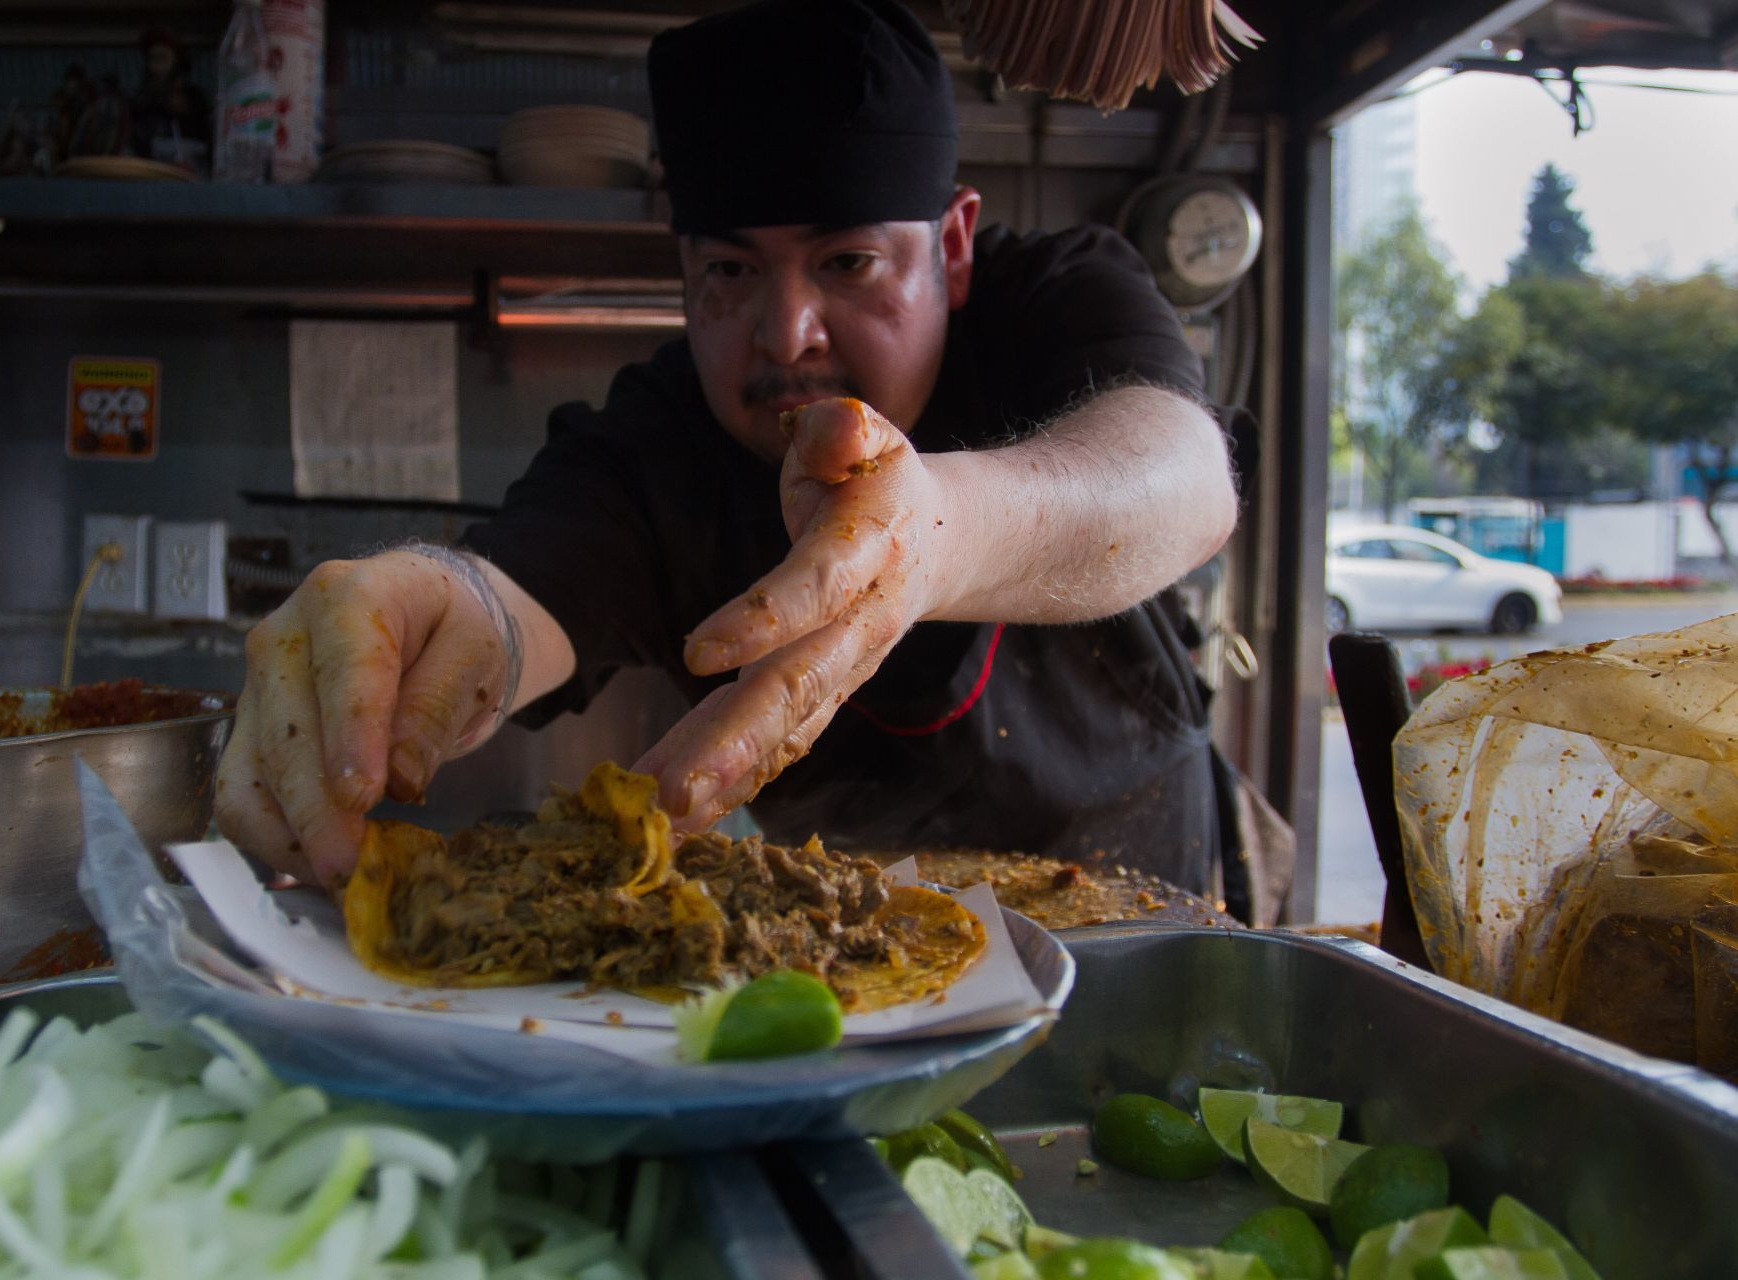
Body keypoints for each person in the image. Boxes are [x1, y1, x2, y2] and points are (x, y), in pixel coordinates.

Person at [214, 0, 1238, 897]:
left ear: (954, 248)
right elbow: (514, 597)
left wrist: (937, 534)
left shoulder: (1054, 300)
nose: (785, 331)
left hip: (1133, 904)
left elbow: (1180, 480)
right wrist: (427, 616)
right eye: (731, 273)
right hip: (864, 952)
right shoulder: (661, 445)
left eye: (849, 261)